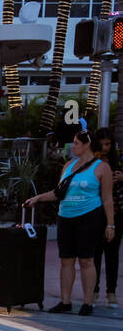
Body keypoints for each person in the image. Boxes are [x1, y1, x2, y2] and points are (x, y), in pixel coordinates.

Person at [23, 130, 112, 316]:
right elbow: (58, 192)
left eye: (77, 143)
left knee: (87, 260)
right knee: (66, 260)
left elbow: (107, 198)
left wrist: (110, 224)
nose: (74, 146)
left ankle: (88, 302)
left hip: (89, 217)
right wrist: (37, 199)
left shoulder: (101, 167)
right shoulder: (68, 166)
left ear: (87, 144)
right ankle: (65, 301)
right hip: (66, 217)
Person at [91, 127, 121, 308]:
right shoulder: (92, 161)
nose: (105, 147)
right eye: (101, 144)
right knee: (95, 253)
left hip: (117, 211)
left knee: (112, 253)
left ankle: (112, 292)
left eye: (108, 144)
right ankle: (93, 290)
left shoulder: (119, 159)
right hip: (96, 210)